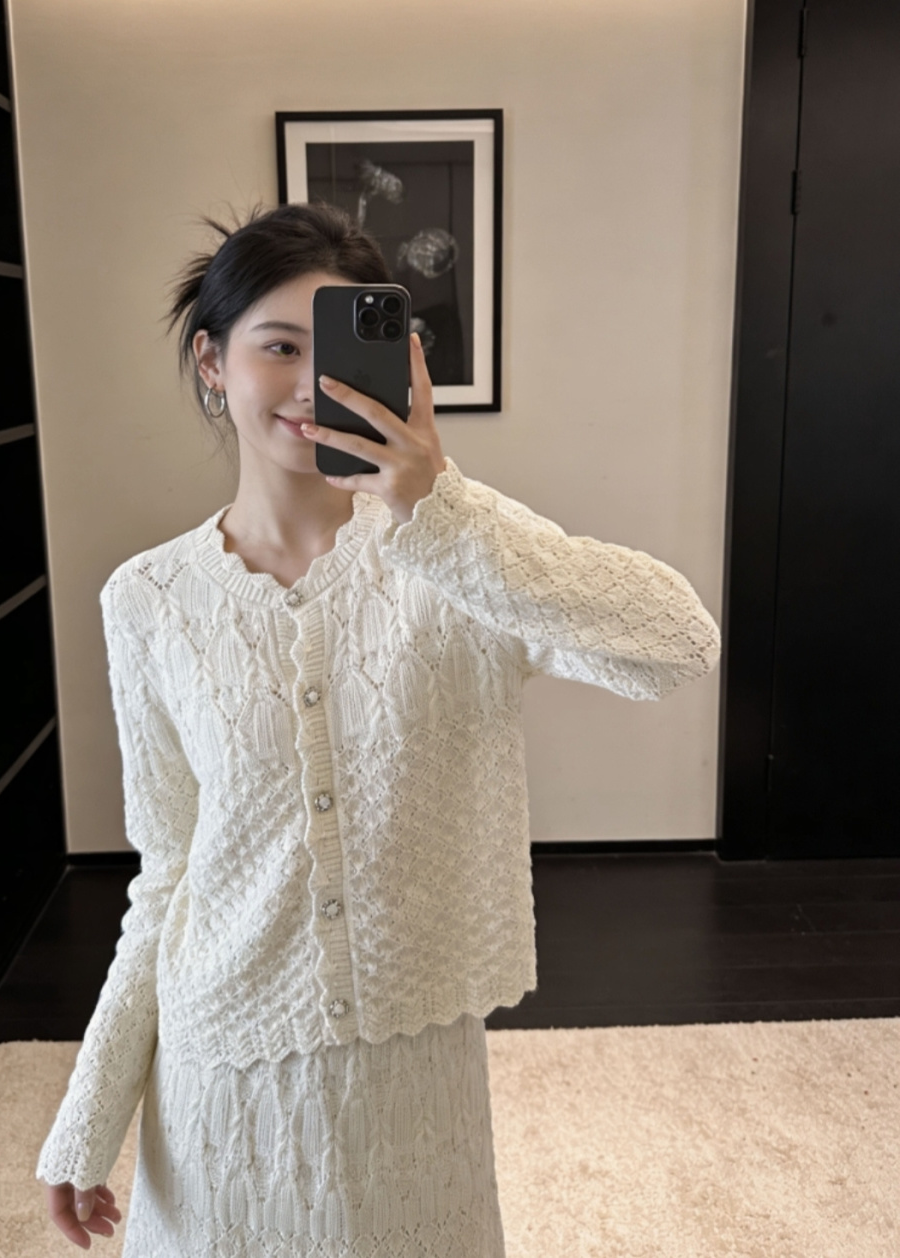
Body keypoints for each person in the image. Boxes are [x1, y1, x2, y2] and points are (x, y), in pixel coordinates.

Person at [36, 202, 722, 1255]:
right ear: (214, 364)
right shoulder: (147, 601)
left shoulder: (452, 552)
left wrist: (441, 508)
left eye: (343, 348)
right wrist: (90, 1112)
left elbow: (676, 643)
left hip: (411, 1083)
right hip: (221, 1081)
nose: (314, 381)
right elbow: (167, 875)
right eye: (279, 347)